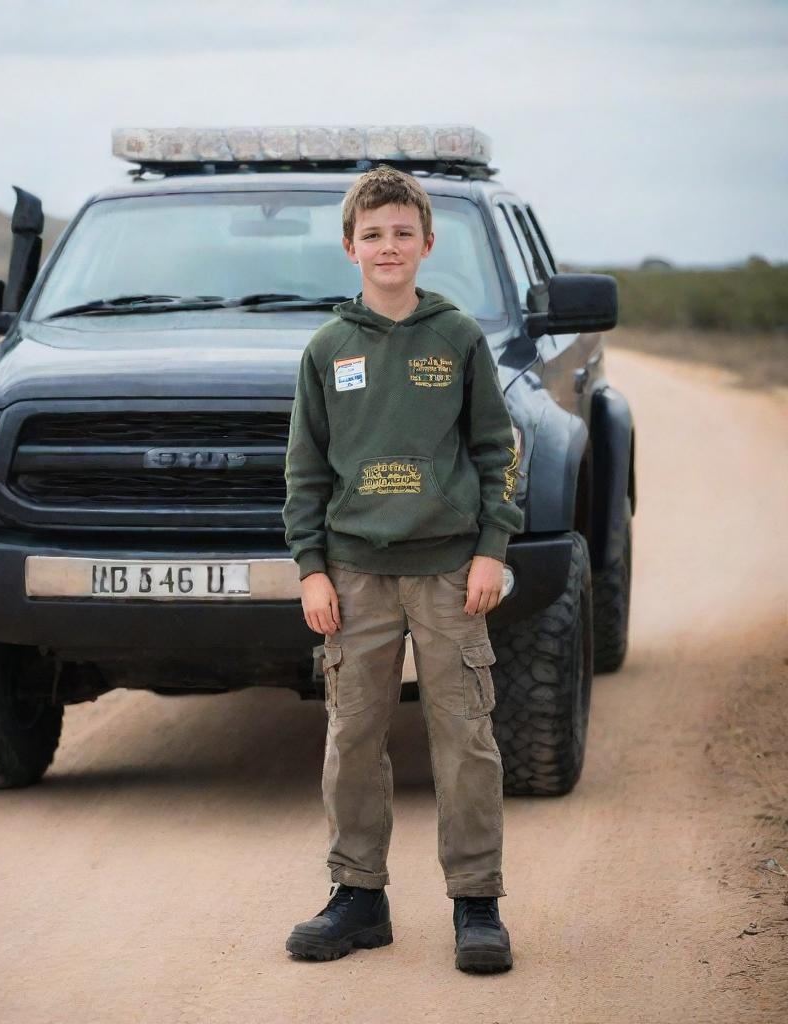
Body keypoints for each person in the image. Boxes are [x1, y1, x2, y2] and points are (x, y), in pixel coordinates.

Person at [281, 164, 523, 973]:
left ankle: (477, 902)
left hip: (452, 571)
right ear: (350, 246)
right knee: (353, 735)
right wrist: (311, 568)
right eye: (373, 235)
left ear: (428, 242)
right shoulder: (327, 349)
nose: (389, 247)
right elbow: (305, 474)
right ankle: (358, 897)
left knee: (465, 734)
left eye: (402, 233)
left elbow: (496, 451)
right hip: (354, 575)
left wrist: (491, 546)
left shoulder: (457, 339)